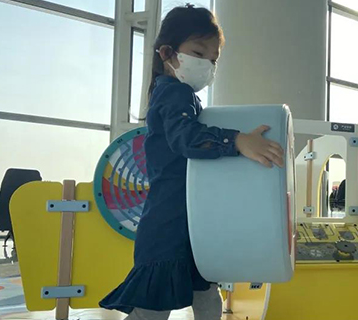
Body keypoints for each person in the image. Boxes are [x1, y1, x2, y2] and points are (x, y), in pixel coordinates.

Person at [99, 4, 284, 320]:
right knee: (154, 309)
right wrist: (237, 140)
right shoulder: (174, 93)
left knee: (205, 295)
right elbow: (185, 137)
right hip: (169, 224)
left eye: (213, 59)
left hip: (191, 222)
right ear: (168, 53)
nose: (207, 65)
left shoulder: (180, 95)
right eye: (198, 52)